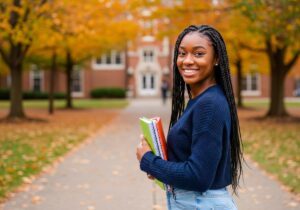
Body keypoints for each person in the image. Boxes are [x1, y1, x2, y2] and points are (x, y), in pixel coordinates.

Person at [136, 25, 243, 210]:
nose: (187, 61)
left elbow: (198, 177)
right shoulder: (201, 100)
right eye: (182, 53)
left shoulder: (209, 104)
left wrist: (148, 160)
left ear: (216, 58)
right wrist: (159, 166)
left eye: (199, 54)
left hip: (200, 203)